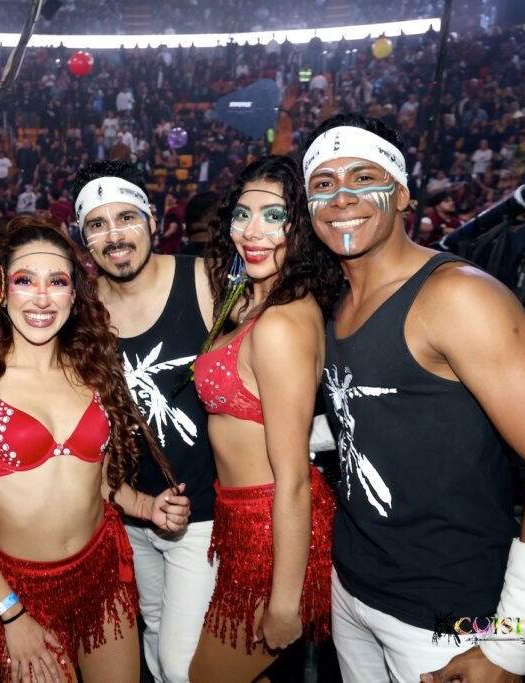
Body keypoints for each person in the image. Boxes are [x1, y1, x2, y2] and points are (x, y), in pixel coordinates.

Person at [301, 114, 525, 683]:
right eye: (324, 183)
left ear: (402, 194)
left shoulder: (457, 296)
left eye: (363, 177)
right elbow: (373, 414)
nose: (342, 197)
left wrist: (513, 645)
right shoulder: (340, 301)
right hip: (354, 588)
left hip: (445, 614)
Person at [0, 220, 191, 682]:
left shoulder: (92, 370)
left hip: (101, 572)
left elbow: (102, 482)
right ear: (0, 290)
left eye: (57, 282)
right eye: (25, 280)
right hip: (20, 591)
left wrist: (147, 506)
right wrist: (11, 613)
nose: (41, 298)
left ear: (75, 294)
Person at [187, 156, 341, 682]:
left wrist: (284, 602)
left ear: (302, 227)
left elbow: (293, 477)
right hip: (243, 522)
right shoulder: (257, 303)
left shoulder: (279, 325)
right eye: (242, 214)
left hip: (271, 529)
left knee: (206, 678)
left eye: (274, 216)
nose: (252, 232)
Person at [69, 161, 217, 683]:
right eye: (97, 224)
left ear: (152, 220)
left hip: (200, 512)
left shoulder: (203, 281)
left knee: (181, 664)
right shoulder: (81, 310)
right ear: (83, 238)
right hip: (128, 509)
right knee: (153, 630)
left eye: (126, 217)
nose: (114, 236)